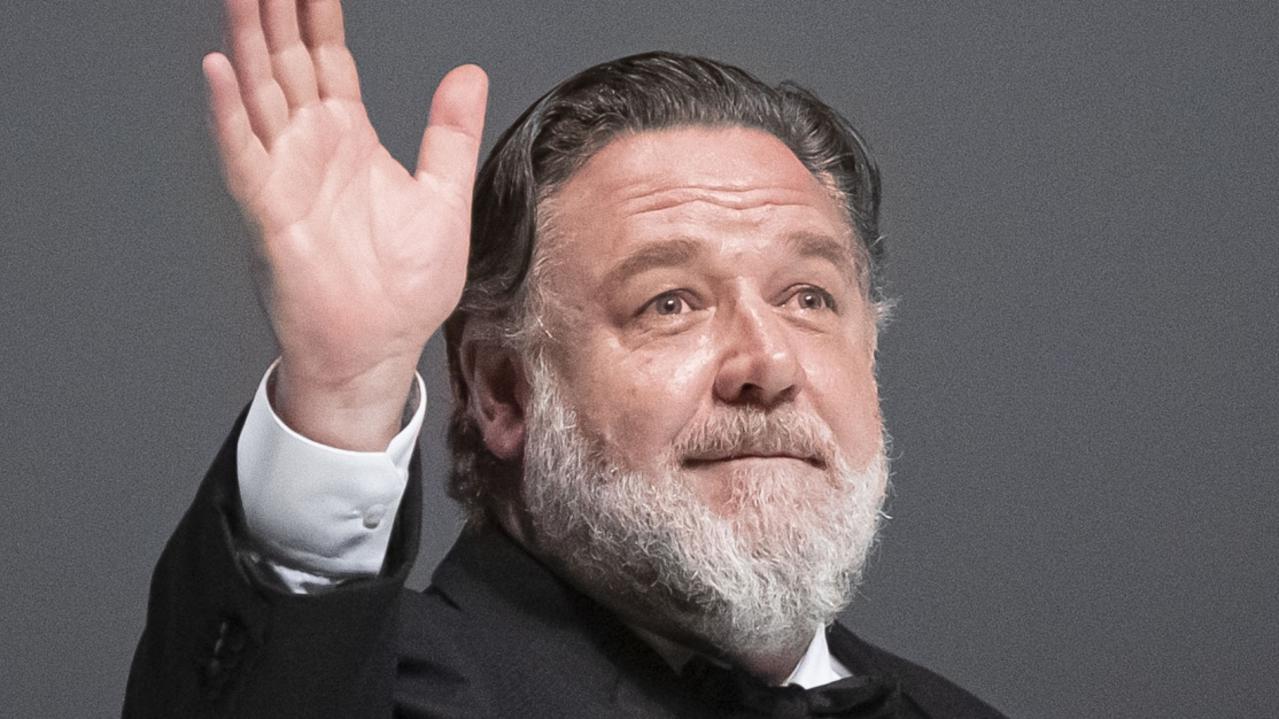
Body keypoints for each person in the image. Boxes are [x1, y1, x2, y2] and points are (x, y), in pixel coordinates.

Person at [124, 1, 1007, 717]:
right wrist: (346, 391)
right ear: (502, 390)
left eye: (808, 297)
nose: (767, 360)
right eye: (670, 302)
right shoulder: (389, 693)